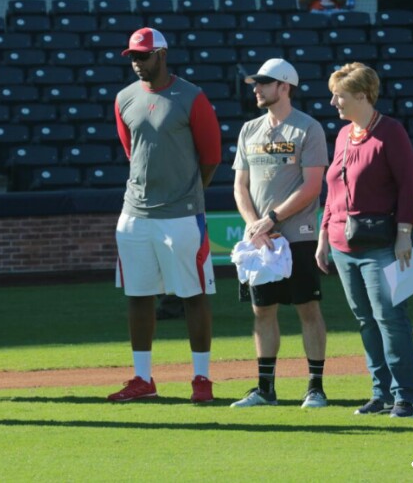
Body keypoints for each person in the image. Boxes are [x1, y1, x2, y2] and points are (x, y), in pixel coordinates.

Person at [110, 28, 221, 403]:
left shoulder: (191, 96)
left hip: (182, 214)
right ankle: (143, 379)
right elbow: (132, 152)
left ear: (162, 54)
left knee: (194, 294)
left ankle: (201, 378)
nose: (137, 63)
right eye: (133, 57)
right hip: (135, 213)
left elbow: (211, 156)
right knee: (138, 295)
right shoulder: (124, 98)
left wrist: (188, 193)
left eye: (143, 55)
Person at [316, 62, 413, 418]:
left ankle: (405, 395)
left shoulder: (391, 132)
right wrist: (322, 237)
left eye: (340, 95)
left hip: (383, 242)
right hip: (342, 244)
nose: (334, 102)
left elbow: (409, 184)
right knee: (365, 318)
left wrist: (404, 234)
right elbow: (332, 192)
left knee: (390, 317)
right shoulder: (344, 135)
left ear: (362, 96)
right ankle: (380, 393)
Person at [230, 58, 330, 409]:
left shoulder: (308, 128)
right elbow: (240, 185)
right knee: (262, 311)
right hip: (260, 240)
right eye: (256, 83)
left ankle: (315, 388)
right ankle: (265, 389)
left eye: (264, 83)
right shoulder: (249, 130)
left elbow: (312, 186)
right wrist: (255, 225)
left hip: (298, 234)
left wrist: (270, 219)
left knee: (308, 308)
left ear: (284, 86)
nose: (256, 89)